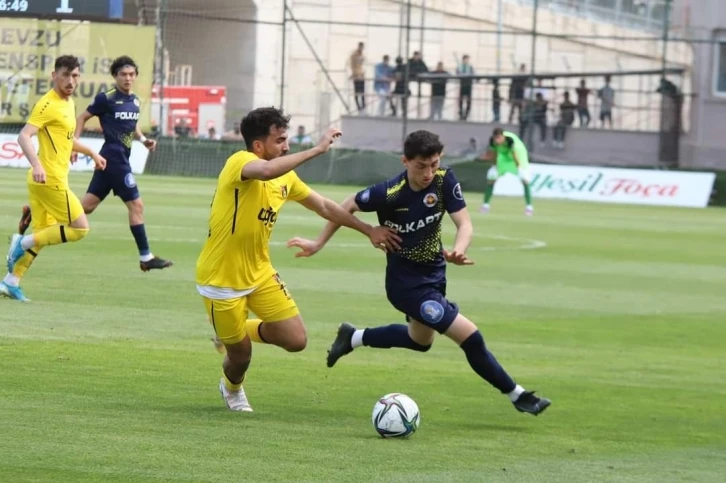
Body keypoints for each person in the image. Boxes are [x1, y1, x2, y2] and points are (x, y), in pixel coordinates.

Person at [287, 130, 550, 417]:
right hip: (406, 286)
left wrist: (458, 249)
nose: (428, 173)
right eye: (421, 166)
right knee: (470, 338)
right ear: (405, 161)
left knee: (419, 341)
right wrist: (345, 236)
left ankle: (353, 337)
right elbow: (346, 205)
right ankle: (518, 395)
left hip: (434, 276)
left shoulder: (444, 180)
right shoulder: (389, 193)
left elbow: (464, 224)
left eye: (434, 164)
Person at [195, 107, 401, 412]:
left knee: (295, 339)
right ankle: (232, 388)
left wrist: (368, 229)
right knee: (241, 356)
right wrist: (317, 150)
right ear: (258, 146)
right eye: (279, 140)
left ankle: (228, 332)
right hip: (220, 279)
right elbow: (266, 171)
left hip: (260, 272)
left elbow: (325, 206)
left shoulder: (286, 178)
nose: (286, 146)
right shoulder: (239, 162)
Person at [16, 56, 172, 272]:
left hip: (109, 160)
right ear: (115, 76)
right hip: (114, 158)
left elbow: (131, 125)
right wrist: (74, 145)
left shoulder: (135, 101)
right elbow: (81, 118)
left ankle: (34, 213)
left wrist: (143, 139)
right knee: (136, 206)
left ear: (136, 76)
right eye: (123, 74)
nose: (127, 78)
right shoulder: (106, 98)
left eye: (131, 74)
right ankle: (146, 256)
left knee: (86, 208)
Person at [2, 55, 107, 302]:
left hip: (44, 180)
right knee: (80, 228)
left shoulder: (68, 103)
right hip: (49, 180)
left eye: (75, 76)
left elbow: (67, 139)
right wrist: (37, 164)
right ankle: (20, 243)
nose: (71, 81)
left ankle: (10, 281)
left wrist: (92, 152)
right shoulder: (47, 104)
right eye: (66, 75)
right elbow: (24, 136)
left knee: (42, 234)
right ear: (54, 76)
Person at [479, 128, 533, 216]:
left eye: (499, 138)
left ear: (503, 136)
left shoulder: (510, 140)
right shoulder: (493, 141)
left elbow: (515, 155)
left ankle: (529, 207)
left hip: (516, 157)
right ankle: (485, 206)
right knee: (492, 177)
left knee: (525, 179)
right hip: (503, 158)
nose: (497, 140)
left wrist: (519, 168)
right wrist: (492, 164)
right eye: (496, 138)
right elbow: (494, 154)